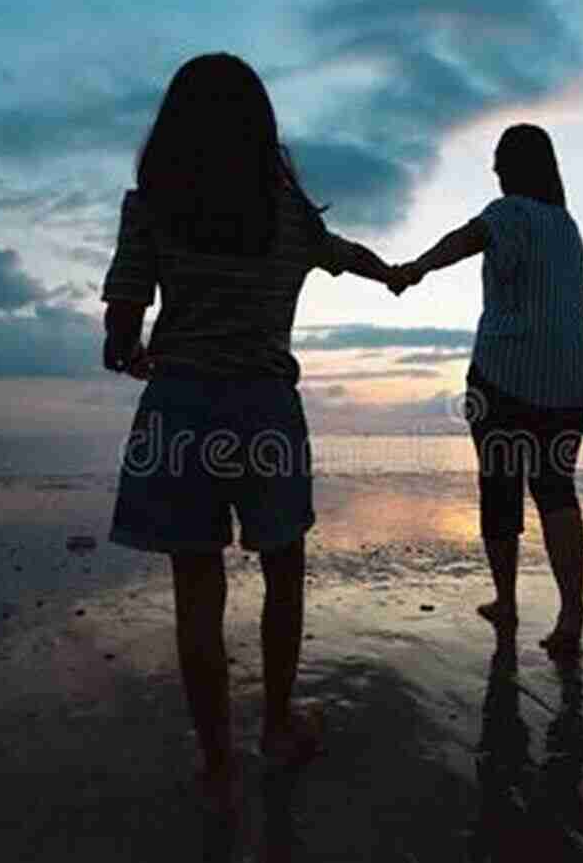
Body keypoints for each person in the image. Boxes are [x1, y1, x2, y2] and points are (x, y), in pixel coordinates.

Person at [100, 53, 398, 811]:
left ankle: (215, 757)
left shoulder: (152, 208)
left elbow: (120, 332)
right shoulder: (289, 215)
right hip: (264, 411)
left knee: (196, 588)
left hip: (180, 410)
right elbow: (346, 256)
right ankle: (276, 724)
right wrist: (392, 273)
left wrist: (140, 354)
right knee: (283, 571)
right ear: (262, 130)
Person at [388, 124, 583, 656]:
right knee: (556, 488)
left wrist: (415, 268)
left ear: (513, 168)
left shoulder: (510, 211)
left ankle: (506, 601)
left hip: (506, 372)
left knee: (500, 487)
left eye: (499, 162)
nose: (495, 171)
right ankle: (571, 612)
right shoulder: (568, 226)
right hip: (570, 377)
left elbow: (466, 239)